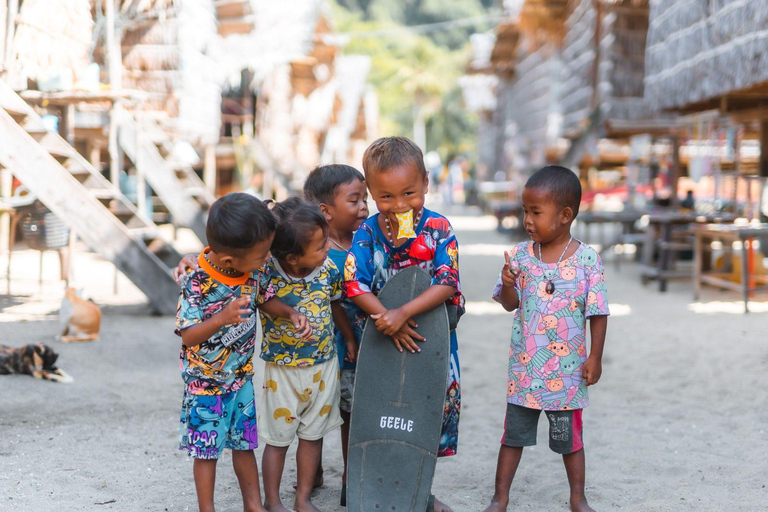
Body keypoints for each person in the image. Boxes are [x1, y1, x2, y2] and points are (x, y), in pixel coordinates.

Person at [344, 136, 463, 512]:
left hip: (432, 341)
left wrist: (402, 314)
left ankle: (419, 493)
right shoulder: (366, 234)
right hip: (380, 343)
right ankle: (371, 489)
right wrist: (385, 317)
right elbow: (353, 284)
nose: (398, 205)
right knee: (380, 414)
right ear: (371, 193)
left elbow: (447, 282)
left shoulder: (439, 229)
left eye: (409, 193)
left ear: (426, 183)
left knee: (426, 414)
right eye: (386, 197)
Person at [482, 166, 610, 512]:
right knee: (513, 437)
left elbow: (597, 313)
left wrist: (595, 357)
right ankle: (500, 497)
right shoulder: (520, 257)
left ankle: (577, 498)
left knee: (570, 441)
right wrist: (509, 282)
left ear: (565, 215)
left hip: (567, 376)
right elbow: (510, 305)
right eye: (525, 211)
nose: (527, 220)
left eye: (535, 212)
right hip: (526, 371)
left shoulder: (587, 261)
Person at [175, 193, 312, 512]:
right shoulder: (195, 282)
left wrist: (290, 313)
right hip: (204, 386)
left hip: (241, 380)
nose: (267, 259)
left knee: (244, 445)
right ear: (229, 262)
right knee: (206, 452)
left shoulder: (254, 272)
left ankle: (253, 505)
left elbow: (265, 300)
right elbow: (187, 336)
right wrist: (221, 318)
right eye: (262, 254)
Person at [259, 197, 356, 512]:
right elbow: (262, 302)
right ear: (291, 256)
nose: (328, 247)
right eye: (319, 245)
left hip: (324, 366)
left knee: (312, 436)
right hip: (282, 371)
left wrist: (350, 340)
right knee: (278, 439)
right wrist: (289, 312)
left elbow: (336, 304)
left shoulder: (327, 268)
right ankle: (273, 501)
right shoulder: (269, 273)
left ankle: (302, 498)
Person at [303, 164, 369, 506]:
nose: (364, 207)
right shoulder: (312, 248)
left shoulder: (367, 238)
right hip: (325, 346)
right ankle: (312, 472)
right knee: (315, 410)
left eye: (365, 199)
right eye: (354, 200)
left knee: (352, 410)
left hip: (363, 344)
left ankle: (350, 473)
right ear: (326, 211)